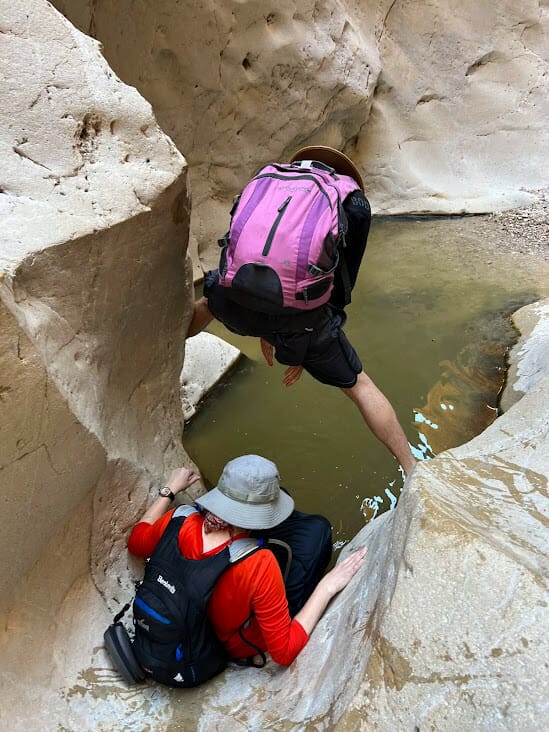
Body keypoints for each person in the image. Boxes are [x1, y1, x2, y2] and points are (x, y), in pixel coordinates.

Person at [187, 146, 417, 475]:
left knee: (209, 301)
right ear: (346, 175)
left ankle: (158, 348)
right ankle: (412, 469)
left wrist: (268, 332)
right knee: (360, 386)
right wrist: (294, 345)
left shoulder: (268, 179)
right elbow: (341, 286)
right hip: (304, 321)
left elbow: (239, 254)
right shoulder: (353, 202)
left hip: (233, 300)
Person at [128, 456, 367, 667]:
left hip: (185, 622)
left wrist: (169, 490)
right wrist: (327, 587)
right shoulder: (260, 563)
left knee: (289, 504)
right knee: (318, 530)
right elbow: (283, 652)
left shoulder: (179, 518)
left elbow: (137, 543)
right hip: (225, 644)